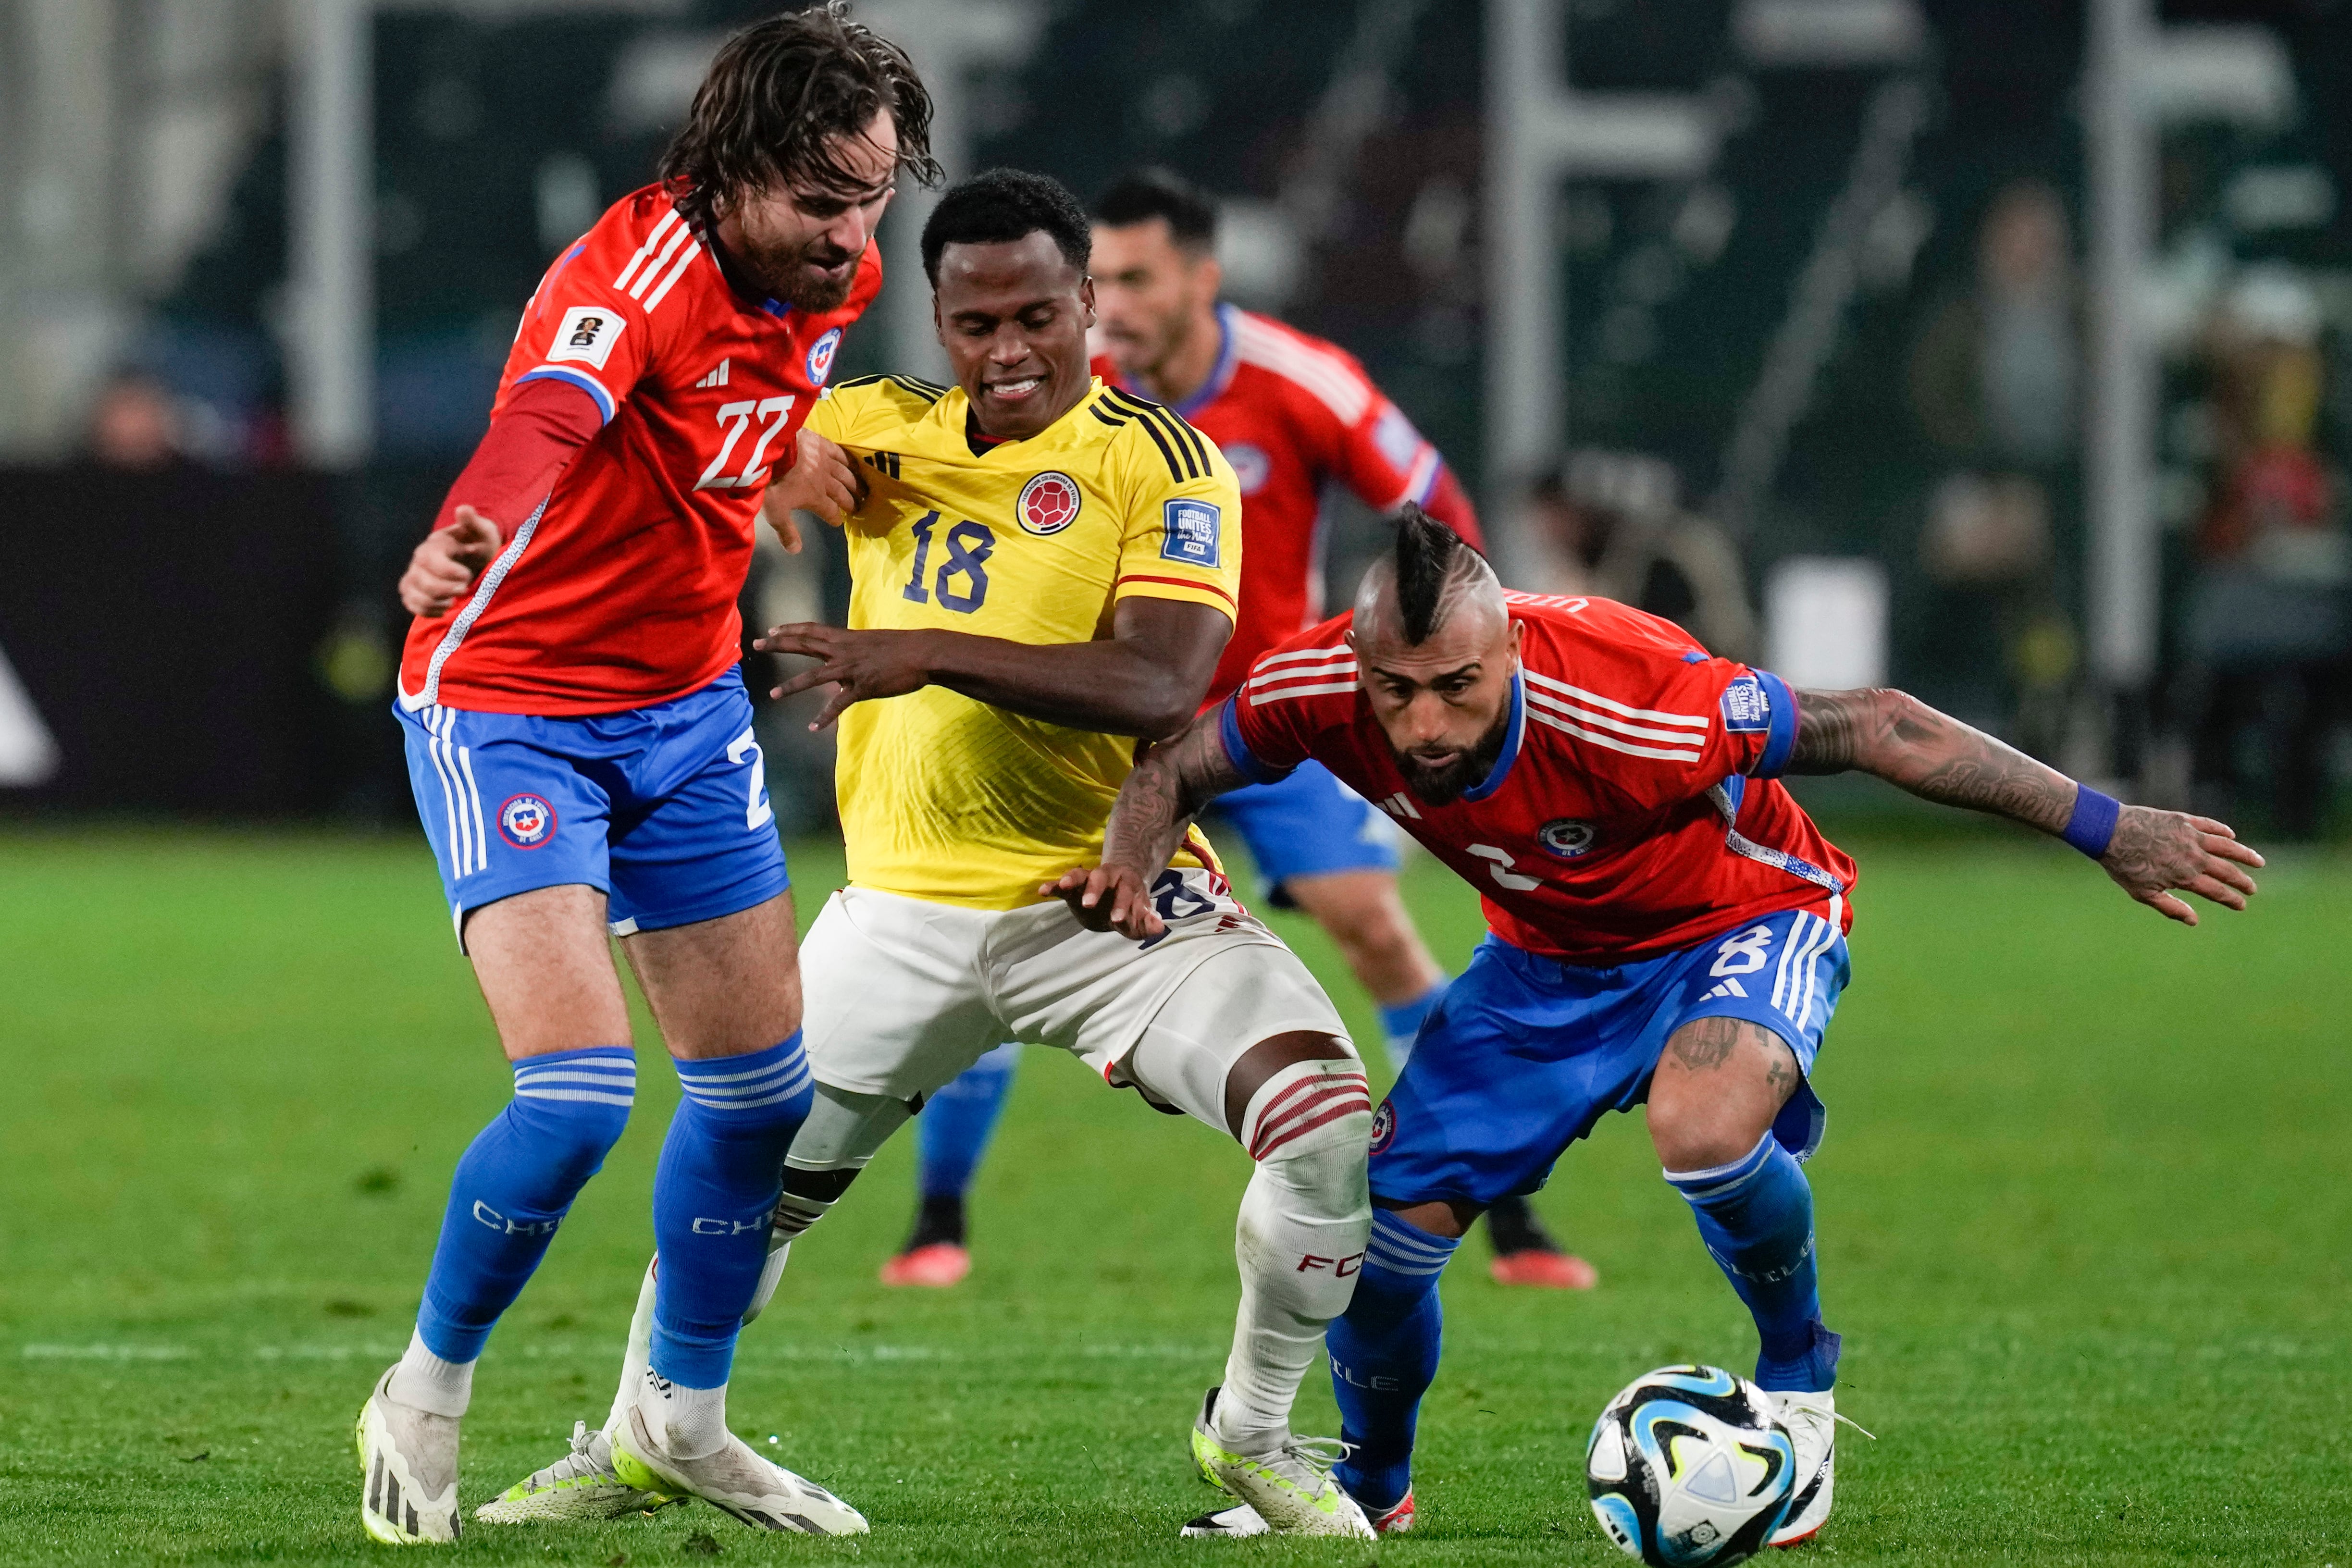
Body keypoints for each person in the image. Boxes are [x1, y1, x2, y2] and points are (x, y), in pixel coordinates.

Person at [1050, 509, 2263, 1540]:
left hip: (1737, 916)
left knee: (1701, 1125)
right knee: (1380, 1246)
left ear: (1509, 650)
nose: (1421, 727)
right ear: (1358, 662)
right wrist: (1132, 894)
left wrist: (2108, 827)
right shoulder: (1311, 689)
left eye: (1457, 688)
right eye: (1395, 690)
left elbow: (1881, 723)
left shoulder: (1634, 706)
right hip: (1544, 964)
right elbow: (1173, 770)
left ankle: (1797, 1385)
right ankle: (1369, 1487)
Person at [488, 169, 1386, 1539]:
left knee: (1322, 1125)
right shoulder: (869, 425)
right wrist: (771, 451)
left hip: (1105, 905)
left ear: (1087, 306)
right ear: (935, 319)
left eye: (1037, 315)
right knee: (738, 1179)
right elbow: (674, 412)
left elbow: (1160, 682)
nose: (1007, 349)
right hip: (896, 917)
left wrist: (918, 651)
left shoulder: (1163, 463)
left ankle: (1253, 1437)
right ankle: (651, 1436)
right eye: (976, 324)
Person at [357, 6, 935, 1543]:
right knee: (575, 1100)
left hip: (683, 710)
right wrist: (473, 527)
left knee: (761, 1100)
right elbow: (546, 421)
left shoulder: (831, 273)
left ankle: (679, 1423)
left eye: (874, 195)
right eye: (820, 199)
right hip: (510, 704)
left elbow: (745, 396)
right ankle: (424, 1390)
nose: (852, 235)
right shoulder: (630, 278)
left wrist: (787, 447)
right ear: (730, 168)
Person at [879, 165, 1594, 1294]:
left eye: (1136, 279)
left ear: (1200, 279)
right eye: (1101, 281)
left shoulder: (1299, 382)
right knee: (998, 934)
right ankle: (938, 1219)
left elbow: (1435, 512)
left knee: (1374, 928)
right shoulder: (1065, 388)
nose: (1111, 305)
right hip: (1113, 730)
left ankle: (1503, 1213)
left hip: (1271, 723)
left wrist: (1430, 653)